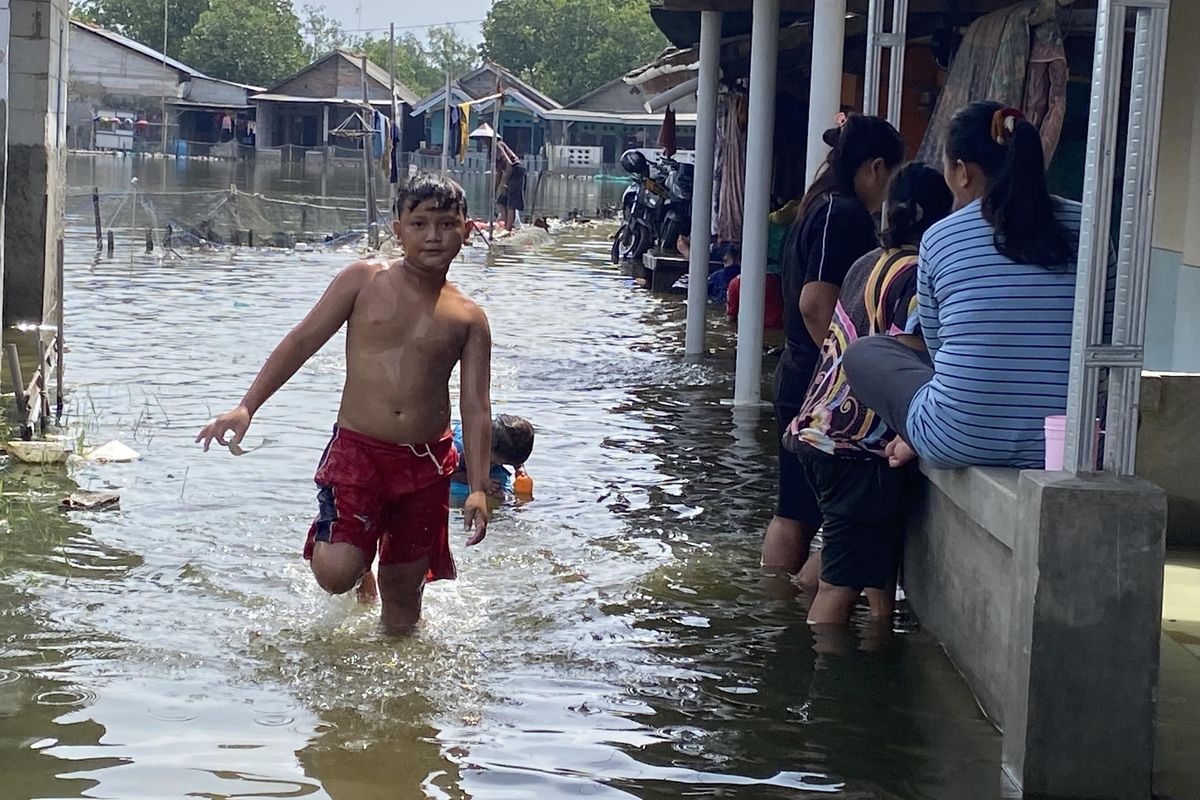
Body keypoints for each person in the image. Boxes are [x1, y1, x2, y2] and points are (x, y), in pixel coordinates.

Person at [195, 173, 493, 634]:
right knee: (336, 572)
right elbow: (301, 341)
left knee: (403, 609)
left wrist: (476, 486)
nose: (434, 236)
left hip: (427, 462)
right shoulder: (363, 280)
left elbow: (475, 407)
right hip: (360, 450)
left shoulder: (468, 317)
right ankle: (359, 562)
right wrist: (247, 406)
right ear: (398, 230)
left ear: (467, 230)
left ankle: (398, 694)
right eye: (419, 224)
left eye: (447, 224)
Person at [844, 101, 1081, 470]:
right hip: (1068, 442)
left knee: (864, 353)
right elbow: (1105, 334)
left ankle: (917, 433)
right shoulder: (1088, 228)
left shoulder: (940, 238)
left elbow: (937, 351)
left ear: (963, 173)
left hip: (956, 439)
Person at [784, 163, 953, 627]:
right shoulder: (920, 275)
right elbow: (913, 360)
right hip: (858, 444)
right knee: (840, 588)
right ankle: (825, 671)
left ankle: (792, 613)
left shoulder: (867, 261)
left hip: (818, 430)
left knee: (846, 548)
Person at [764, 114, 905, 586]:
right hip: (812, 381)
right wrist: (847, 375)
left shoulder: (819, 205)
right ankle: (787, 609)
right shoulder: (840, 213)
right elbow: (814, 302)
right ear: (876, 167)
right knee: (802, 514)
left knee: (797, 510)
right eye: (891, 177)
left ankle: (773, 610)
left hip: (799, 374)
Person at [450, 414, 535, 500]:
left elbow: (515, 451)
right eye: (499, 462)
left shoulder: (504, 445)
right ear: (487, 448)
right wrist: (481, 480)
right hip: (461, 463)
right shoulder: (463, 450)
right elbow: (451, 474)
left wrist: (519, 468)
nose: (499, 464)